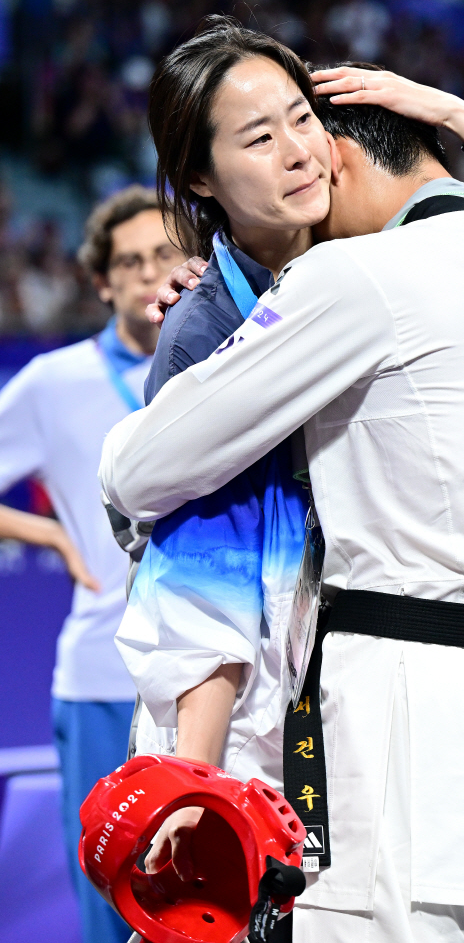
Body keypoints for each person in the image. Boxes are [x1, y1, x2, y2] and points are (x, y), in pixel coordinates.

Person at [101, 45, 464, 942]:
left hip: (397, 720)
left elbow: (136, 470)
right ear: (202, 176)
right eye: (261, 136)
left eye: (304, 122)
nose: (300, 152)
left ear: (345, 150)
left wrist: (236, 355)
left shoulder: (356, 278)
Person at [0, 185, 186, 943]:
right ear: (103, 280)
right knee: (111, 907)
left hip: (220, 678)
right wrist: (50, 537)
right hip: (104, 680)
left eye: (165, 255)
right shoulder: (55, 382)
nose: (148, 275)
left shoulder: (228, 361)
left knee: (205, 907)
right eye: (129, 262)